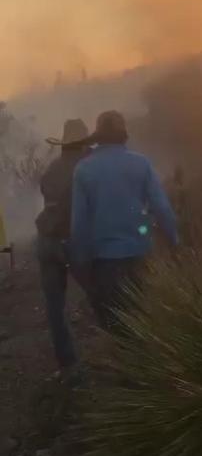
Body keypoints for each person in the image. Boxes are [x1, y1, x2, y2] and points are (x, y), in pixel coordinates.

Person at [71, 110, 179, 330]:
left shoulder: (84, 169)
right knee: (144, 319)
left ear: (98, 136)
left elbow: (79, 224)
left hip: (104, 261)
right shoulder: (142, 164)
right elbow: (162, 208)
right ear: (123, 135)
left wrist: (81, 263)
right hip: (140, 254)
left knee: (116, 325)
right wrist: (174, 241)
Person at [36, 118, 90, 375]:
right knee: (103, 295)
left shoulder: (51, 169)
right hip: (71, 240)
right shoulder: (86, 168)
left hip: (46, 241)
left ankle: (68, 365)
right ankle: (124, 353)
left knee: (55, 308)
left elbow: (49, 198)